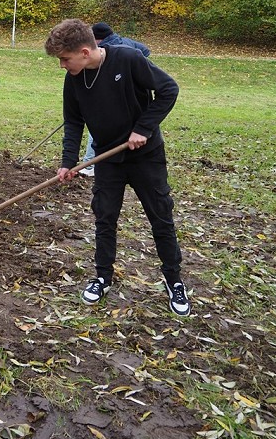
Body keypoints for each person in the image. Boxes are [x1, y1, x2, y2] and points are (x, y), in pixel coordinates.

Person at [44, 18, 190, 316]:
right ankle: (102, 276)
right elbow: (73, 122)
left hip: (145, 157)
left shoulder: (128, 59)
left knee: (160, 217)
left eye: (64, 59)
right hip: (107, 158)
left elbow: (168, 90)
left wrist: (144, 128)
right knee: (104, 217)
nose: (62, 65)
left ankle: (174, 281)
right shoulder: (74, 78)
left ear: (85, 52)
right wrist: (68, 163)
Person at [80, 22, 151, 177]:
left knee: (97, 127)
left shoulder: (104, 49)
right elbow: (146, 50)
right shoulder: (126, 41)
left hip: (113, 94)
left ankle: (90, 163)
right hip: (127, 95)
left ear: (97, 40)